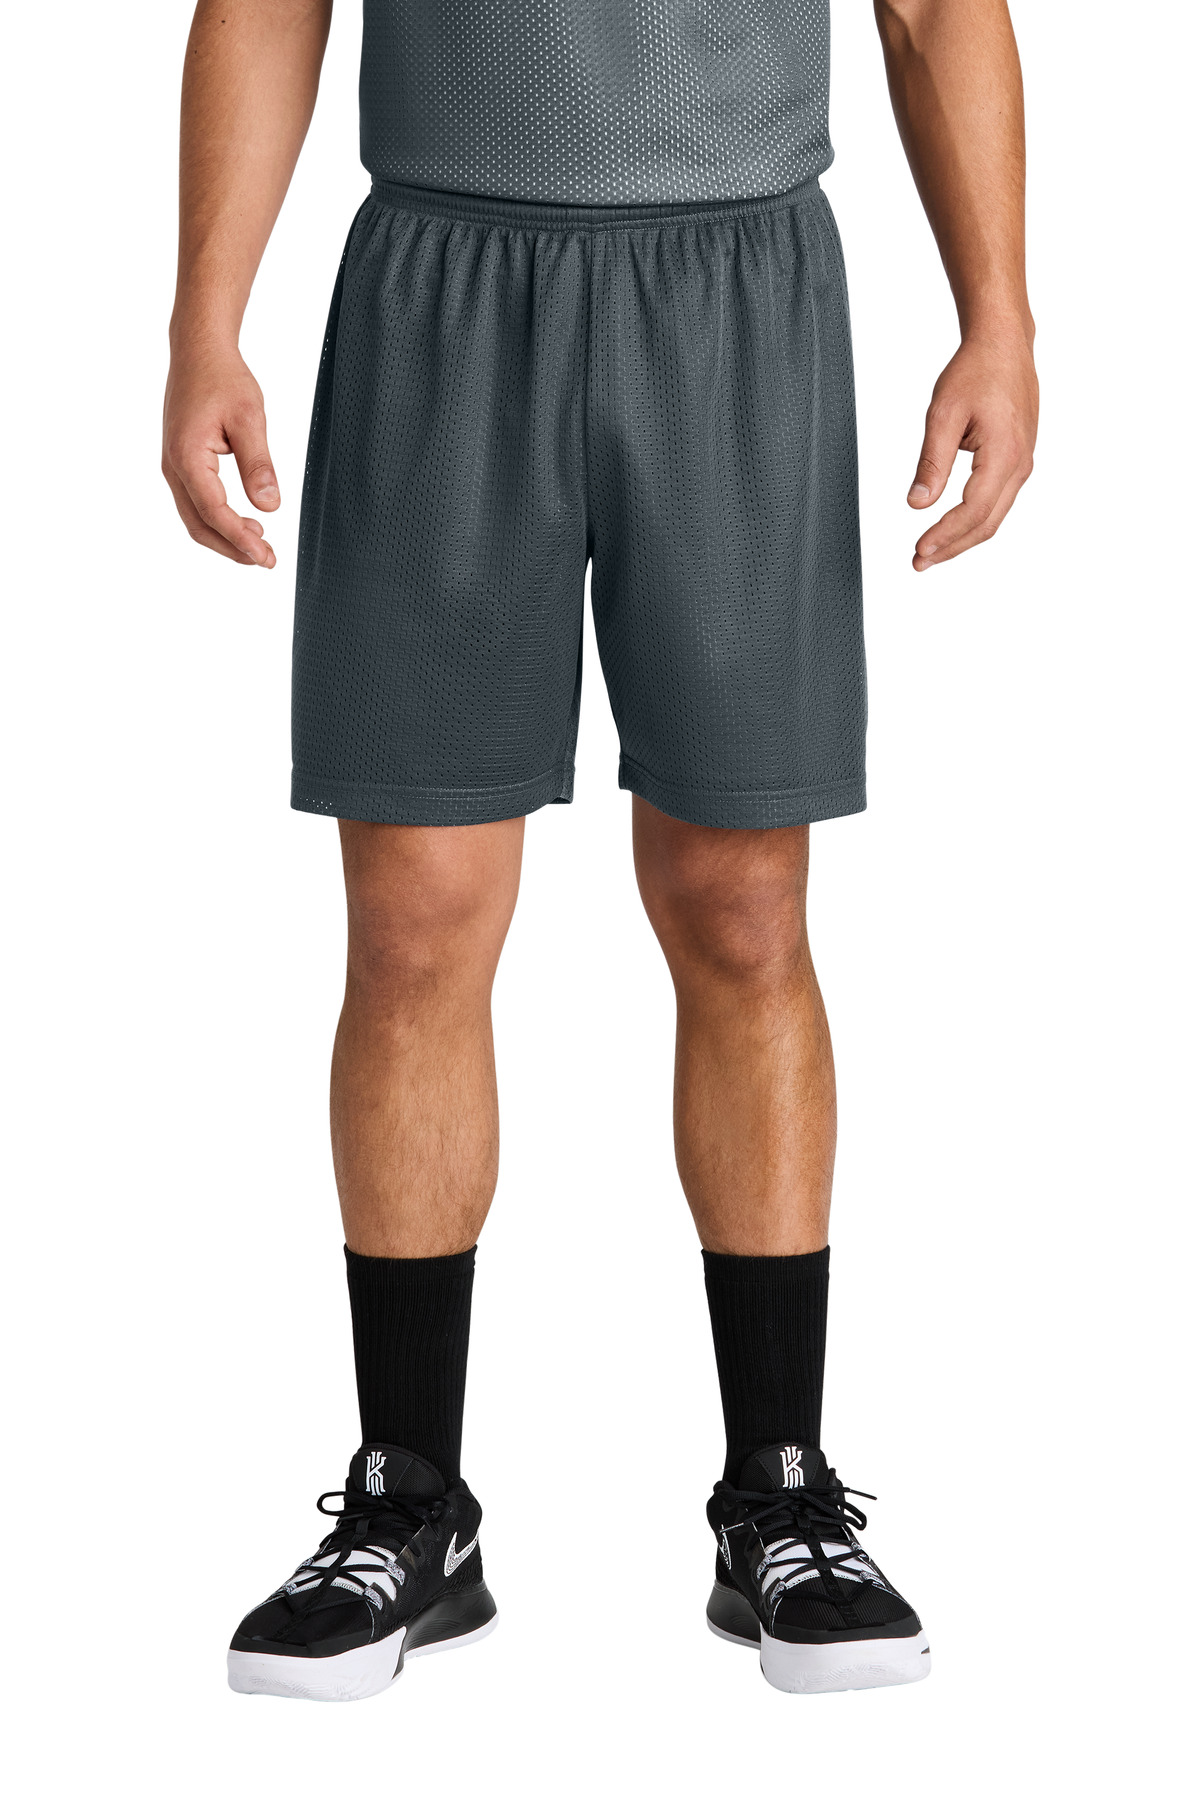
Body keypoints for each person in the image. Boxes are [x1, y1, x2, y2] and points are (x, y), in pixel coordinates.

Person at [163, 0, 1037, 1700]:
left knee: (744, 904)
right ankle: (412, 1503)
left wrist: (996, 313)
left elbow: (936, 8)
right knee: (413, 921)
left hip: (735, 288)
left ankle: (777, 1493)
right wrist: (205, 318)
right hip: (440, 281)